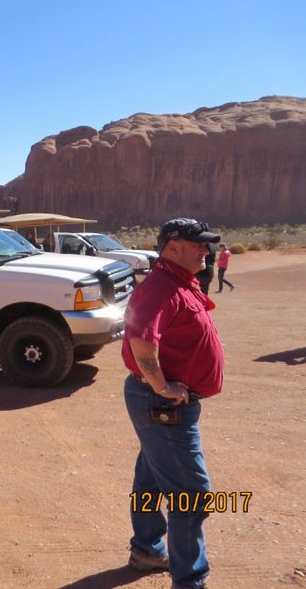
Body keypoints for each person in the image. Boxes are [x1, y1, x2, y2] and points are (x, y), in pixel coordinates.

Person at [121, 218, 224, 589]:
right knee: (192, 496)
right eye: (198, 244)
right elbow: (141, 342)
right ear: (173, 246)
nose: (206, 250)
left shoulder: (178, 281)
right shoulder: (161, 285)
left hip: (162, 407)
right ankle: (190, 581)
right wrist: (162, 386)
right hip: (163, 407)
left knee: (150, 478)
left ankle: (148, 548)